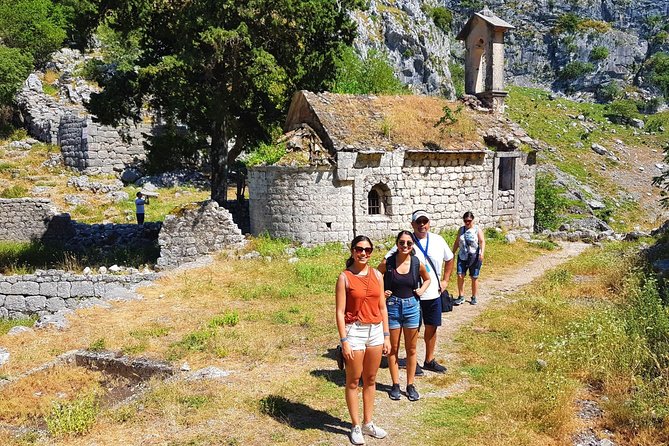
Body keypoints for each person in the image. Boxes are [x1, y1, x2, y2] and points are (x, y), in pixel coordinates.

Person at [380, 210, 454, 375]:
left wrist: (446, 280)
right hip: (412, 296)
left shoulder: (438, 240)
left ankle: (429, 359)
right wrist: (385, 287)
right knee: (413, 329)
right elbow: (386, 262)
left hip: (433, 292)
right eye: (418, 222)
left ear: (429, 223)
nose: (422, 225)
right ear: (412, 224)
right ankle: (411, 361)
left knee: (432, 327)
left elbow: (449, 258)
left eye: (424, 221)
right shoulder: (406, 241)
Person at [335, 235, 391, 445]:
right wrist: (344, 341)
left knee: (371, 379)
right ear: (352, 251)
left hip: (375, 330)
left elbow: (382, 307)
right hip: (355, 331)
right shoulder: (345, 277)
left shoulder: (377, 274)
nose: (363, 253)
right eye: (359, 249)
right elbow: (340, 312)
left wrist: (386, 335)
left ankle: (368, 422)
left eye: (368, 250)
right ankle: (355, 425)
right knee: (353, 380)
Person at [378, 230, 431, 401]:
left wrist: (421, 290)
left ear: (412, 245)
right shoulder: (389, 262)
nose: (405, 246)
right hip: (392, 307)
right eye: (402, 243)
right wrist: (381, 292)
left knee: (411, 349)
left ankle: (410, 385)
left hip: (412, 308)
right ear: (396, 244)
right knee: (392, 349)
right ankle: (395, 385)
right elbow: (375, 276)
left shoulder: (416, 263)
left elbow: (428, 279)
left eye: (408, 243)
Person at [452, 211, 485, 305]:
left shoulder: (477, 229)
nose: (467, 223)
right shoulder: (461, 230)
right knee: (460, 275)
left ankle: (474, 297)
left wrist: (481, 253)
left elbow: (482, 241)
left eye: (469, 221)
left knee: (474, 277)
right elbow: (457, 242)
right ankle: (461, 296)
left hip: (474, 256)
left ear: (472, 220)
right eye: (465, 221)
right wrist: (452, 253)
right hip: (462, 256)